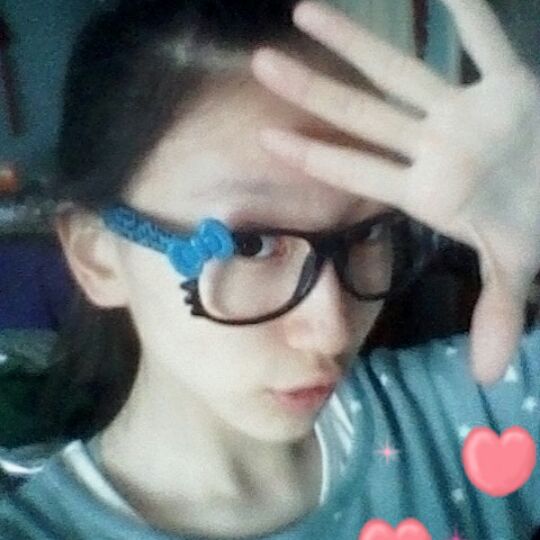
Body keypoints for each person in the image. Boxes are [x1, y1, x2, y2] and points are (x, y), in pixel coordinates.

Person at [0, 0, 539, 538]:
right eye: (252, 245)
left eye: (369, 233)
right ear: (98, 255)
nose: (332, 331)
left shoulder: (471, 415)